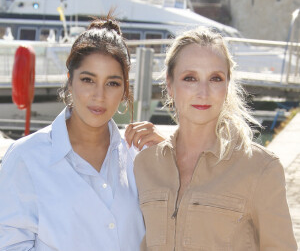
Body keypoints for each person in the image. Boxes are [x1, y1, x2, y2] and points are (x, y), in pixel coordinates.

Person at [0, 16, 165, 250]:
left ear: (125, 89)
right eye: (88, 80)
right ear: (70, 81)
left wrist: (170, 154)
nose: (99, 95)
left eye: (112, 83)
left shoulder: (141, 156)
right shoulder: (27, 157)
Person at [134, 27, 298, 250]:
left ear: (227, 86)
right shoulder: (145, 164)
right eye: (190, 78)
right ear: (170, 85)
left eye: (215, 78)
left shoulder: (260, 169)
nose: (203, 92)